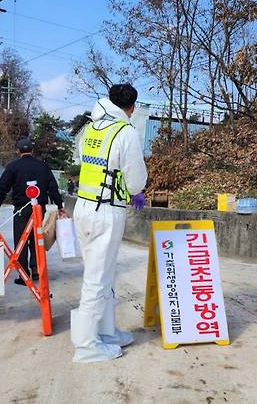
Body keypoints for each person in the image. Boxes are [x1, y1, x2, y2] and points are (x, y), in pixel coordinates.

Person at [71, 83, 147, 363]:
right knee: (97, 279)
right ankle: (86, 346)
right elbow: (136, 181)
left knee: (102, 275)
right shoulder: (125, 132)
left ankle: (106, 332)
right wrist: (136, 192)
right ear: (132, 107)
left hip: (84, 206)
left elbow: (86, 162)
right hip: (106, 211)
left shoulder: (89, 129)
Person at [0, 137, 66, 285]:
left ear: (18, 151)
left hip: (21, 208)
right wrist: (59, 205)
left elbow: (2, 187)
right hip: (39, 208)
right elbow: (52, 187)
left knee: (21, 240)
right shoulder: (42, 166)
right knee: (36, 239)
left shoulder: (13, 166)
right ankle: (36, 271)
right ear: (32, 150)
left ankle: (23, 274)